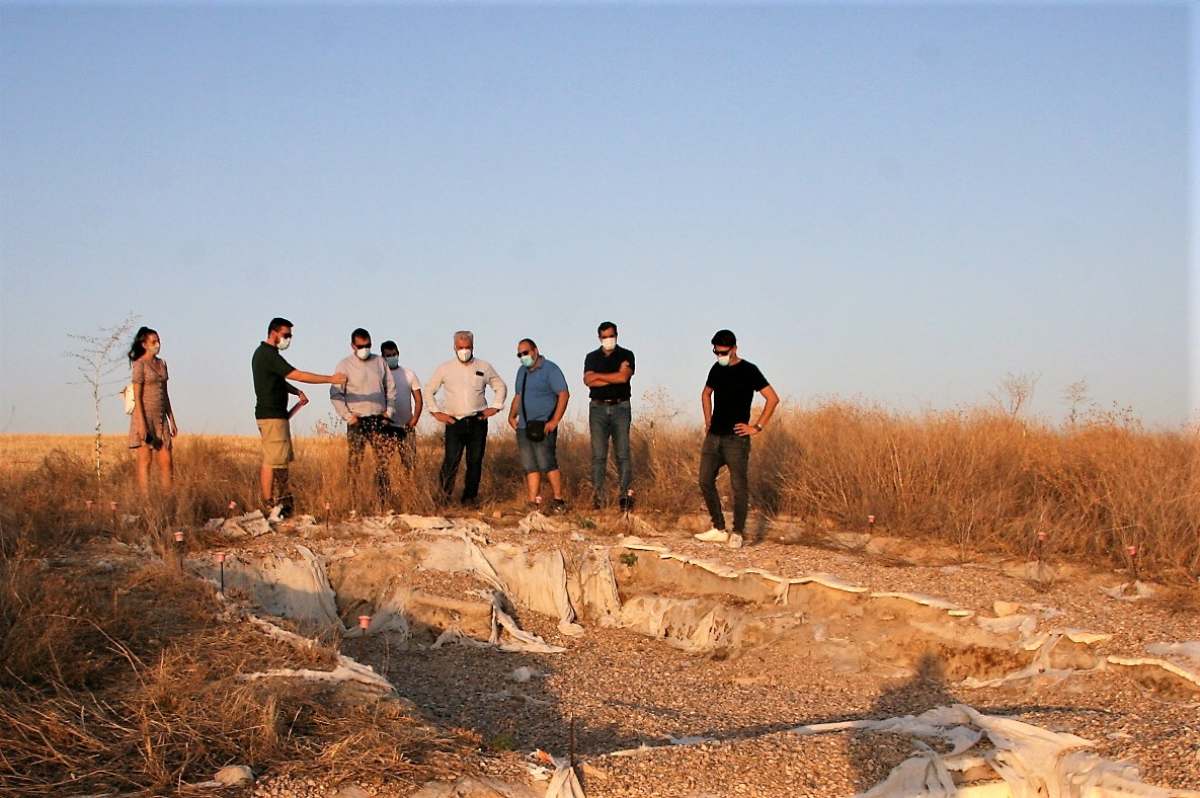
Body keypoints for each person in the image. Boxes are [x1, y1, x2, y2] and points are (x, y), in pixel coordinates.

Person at [251, 317, 347, 519]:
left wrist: (295, 392)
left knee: (281, 460)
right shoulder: (268, 354)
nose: (288, 339)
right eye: (286, 335)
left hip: (276, 415)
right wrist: (330, 379)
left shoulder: (267, 356)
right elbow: (298, 374)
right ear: (274, 332)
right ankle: (270, 505)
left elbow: (278, 380)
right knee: (271, 459)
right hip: (272, 416)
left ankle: (283, 502)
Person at [693, 329, 780, 549]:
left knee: (738, 485)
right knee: (704, 479)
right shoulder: (716, 369)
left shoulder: (749, 370)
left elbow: (772, 398)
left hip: (736, 438)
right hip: (714, 436)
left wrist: (756, 427)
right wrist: (708, 420)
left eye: (723, 352)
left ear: (734, 348)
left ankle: (738, 532)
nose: (719, 356)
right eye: (716, 352)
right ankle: (719, 528)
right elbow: (705, 393)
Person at [425, 330, 507, 506]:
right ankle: (443, 499)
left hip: (477, 420)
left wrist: (495, 407)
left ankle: (469, 498)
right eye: (461, 347)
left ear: (473, 346)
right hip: (454, 421)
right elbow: (429, 390)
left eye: (467, 347)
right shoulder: (445, 368)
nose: (464, 351)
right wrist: (436, 412)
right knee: (451, 461)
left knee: (475, 461)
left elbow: (500, 386)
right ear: (454, 347)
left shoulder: (484, 366)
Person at [330, 328, 397, 508]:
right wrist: (347, 416)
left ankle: (383, 503)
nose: (365, 349)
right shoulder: (344, 365)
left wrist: (388, 412)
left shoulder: (379, 362)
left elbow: (390, 388)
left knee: (383, 463)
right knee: (355, 462)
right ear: (353, 345)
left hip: (379, 418)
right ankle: (353, 503)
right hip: (357, 420)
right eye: (361, 346)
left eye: (368, 345)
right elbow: (336, 393)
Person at [508, 338, 570, 513]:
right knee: (529, 465)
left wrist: (554, 421)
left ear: (535, 351)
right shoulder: (522, 372)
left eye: (525, 352)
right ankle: (533, 502)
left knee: (547, 462)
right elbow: (518, 396)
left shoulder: (551, 369)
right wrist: (512, 415)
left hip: (544, 425)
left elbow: (564, 394)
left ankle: (558, 500)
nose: (523, 357)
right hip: (524, 426)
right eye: (519, 354)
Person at [583, 321, 635, 510]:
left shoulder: (626, 354)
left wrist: (599, 377)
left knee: (622, 453)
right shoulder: (592, 357)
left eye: (611, 336)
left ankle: (625, 496)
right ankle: (598, 497)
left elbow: (624, 378)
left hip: (621, 407)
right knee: (598, 455)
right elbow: (588, 381)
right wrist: (613, 376)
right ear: (599, 338)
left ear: (616, 335)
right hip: (597, 408)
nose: (608, 340)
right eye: (605, 337)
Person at [127, 326, 177, 495]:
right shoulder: (139, 365)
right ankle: (145, 502)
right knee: (145, 460)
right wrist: (141, 424)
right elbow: (137, 396)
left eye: (158, 341)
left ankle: (167, 498)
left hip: (161, 418)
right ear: (144, 344)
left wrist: (172, 420)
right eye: (153, 341)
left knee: (166, 460)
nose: (157, 344)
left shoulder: (162, 364)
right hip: (144, 417)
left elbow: (166, 393)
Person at [380, 339, 423, 468]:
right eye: (388, 355)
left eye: (394, 354)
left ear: (398, 353)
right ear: (383, 357)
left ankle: (408, 487)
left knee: (409, 464)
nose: (392, 357)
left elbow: (419, 400)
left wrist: (414, 419)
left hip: (407, 427)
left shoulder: (409, 374)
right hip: (387, 427)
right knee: (383, 465)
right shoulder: (379, 376)